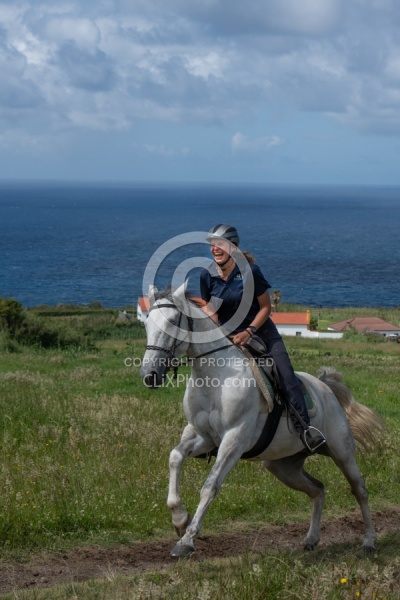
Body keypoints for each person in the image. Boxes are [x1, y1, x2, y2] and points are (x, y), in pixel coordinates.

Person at [199, 223, 326, 453]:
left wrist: (249, 331)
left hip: (261, 334)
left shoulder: (250, 272)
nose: (215, 249)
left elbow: (266, 308)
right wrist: (216, 329)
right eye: (212, 245)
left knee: (285, 376)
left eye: (220, 245)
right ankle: (208, 434)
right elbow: (211, 310)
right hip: (229, 338)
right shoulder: (206, 275)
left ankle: (306, 430)